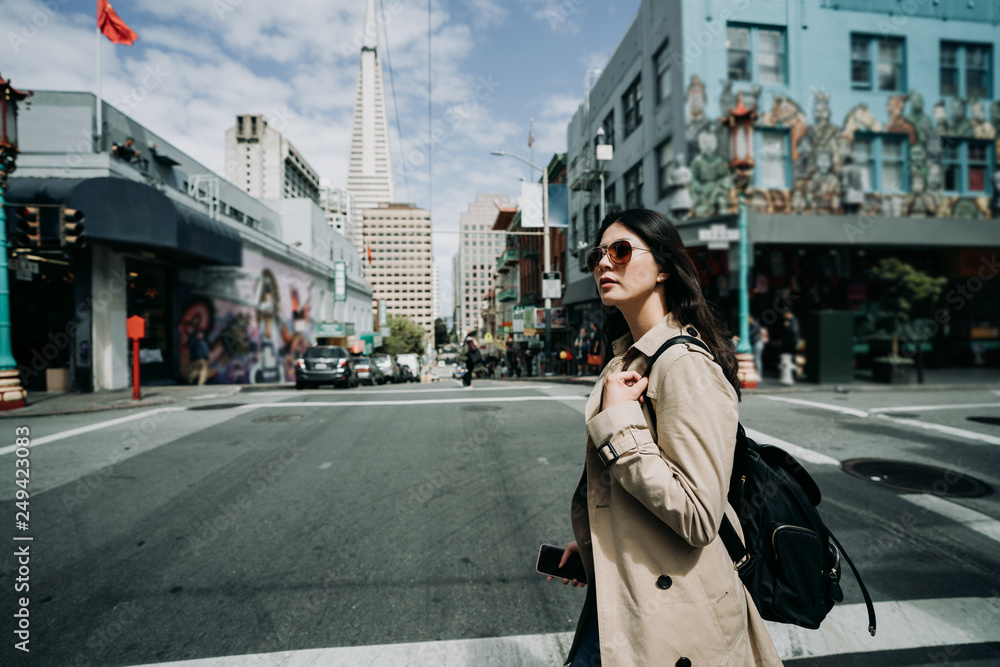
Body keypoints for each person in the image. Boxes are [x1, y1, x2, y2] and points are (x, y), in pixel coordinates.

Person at [549, 208, 782, 666]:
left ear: (662, 268)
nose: (603, 264)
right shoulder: (627, 362)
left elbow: (698, 515)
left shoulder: (685, 364)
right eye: (598, 254)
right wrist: (603, 537)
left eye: (620, 251)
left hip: (673, 619)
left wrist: (619, 424)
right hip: (624, 596)